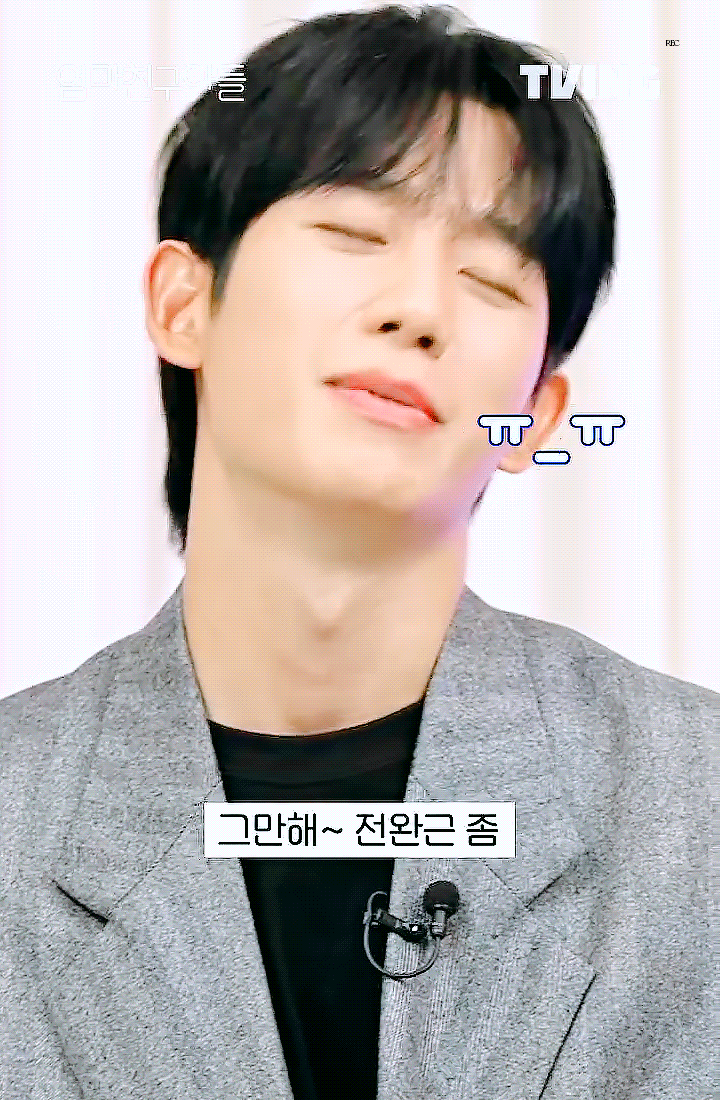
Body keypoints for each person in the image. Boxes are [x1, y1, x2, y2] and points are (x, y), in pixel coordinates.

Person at [1, 6, 715, 1099]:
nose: (419, 310)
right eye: (355, 234)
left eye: (490, 279)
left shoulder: (692, 804)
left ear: (534, 417)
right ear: (184, 303)